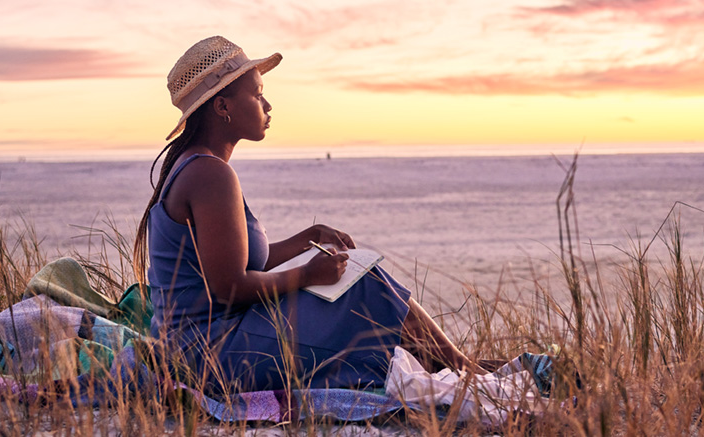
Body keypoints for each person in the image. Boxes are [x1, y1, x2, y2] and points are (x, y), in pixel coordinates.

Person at [133, 36, 482, 394]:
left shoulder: (197, 166)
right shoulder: (210, 174)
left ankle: (456, 367)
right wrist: (307, 274)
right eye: (256, 95)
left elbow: (236, 265)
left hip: (202, 346)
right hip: (211, 356)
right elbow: (229, 288)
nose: (267, 105)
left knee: (362, 282)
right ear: (223, 106)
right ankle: (465, 371)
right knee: (367, 283)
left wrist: (306, 239)